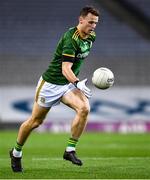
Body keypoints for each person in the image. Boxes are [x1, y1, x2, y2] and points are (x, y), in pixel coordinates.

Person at [9, 6, 99, 172]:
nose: (93, 26)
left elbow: (74, 64)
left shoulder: (91, 37)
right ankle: (16, 153)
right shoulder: (70, 38)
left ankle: (70, 150)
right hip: (50, 85)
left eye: (96, 23)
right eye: (90, 22)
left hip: (66, 85)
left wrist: (74, 83)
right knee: (35, 122)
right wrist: (77, 82)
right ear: (81, 20)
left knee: (84, 108)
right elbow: (66, 68)